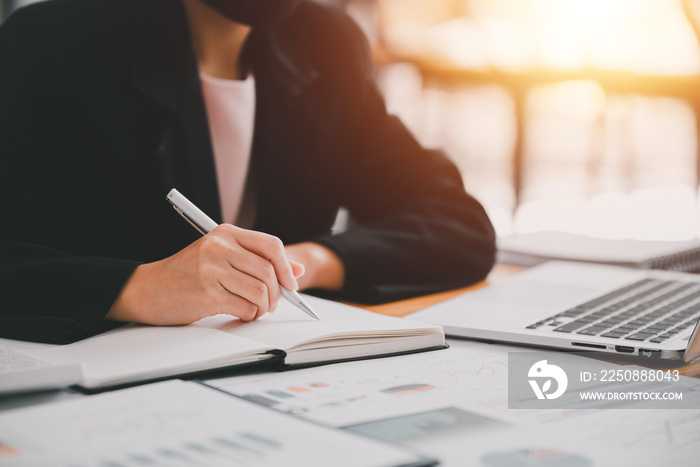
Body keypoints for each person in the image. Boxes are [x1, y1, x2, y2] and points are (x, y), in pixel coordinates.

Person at [0, 0, 496, 344]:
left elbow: (457, 223)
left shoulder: (323, 43)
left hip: (280, 375)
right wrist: (140, 287)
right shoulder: (48, 45)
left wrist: (300, 264)